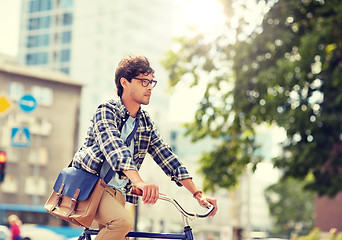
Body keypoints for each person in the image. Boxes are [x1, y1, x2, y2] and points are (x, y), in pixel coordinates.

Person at [72, 55, 218, 240]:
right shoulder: (106, 111)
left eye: (151, 82)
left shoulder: (145, 122)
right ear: (124, 82)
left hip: (118, 193)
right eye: (143, 81)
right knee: (123, 222)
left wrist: (198, 194)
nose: (149, 87)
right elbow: (115, 149)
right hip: (90, 188)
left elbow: (166, 157)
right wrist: (139, 181)